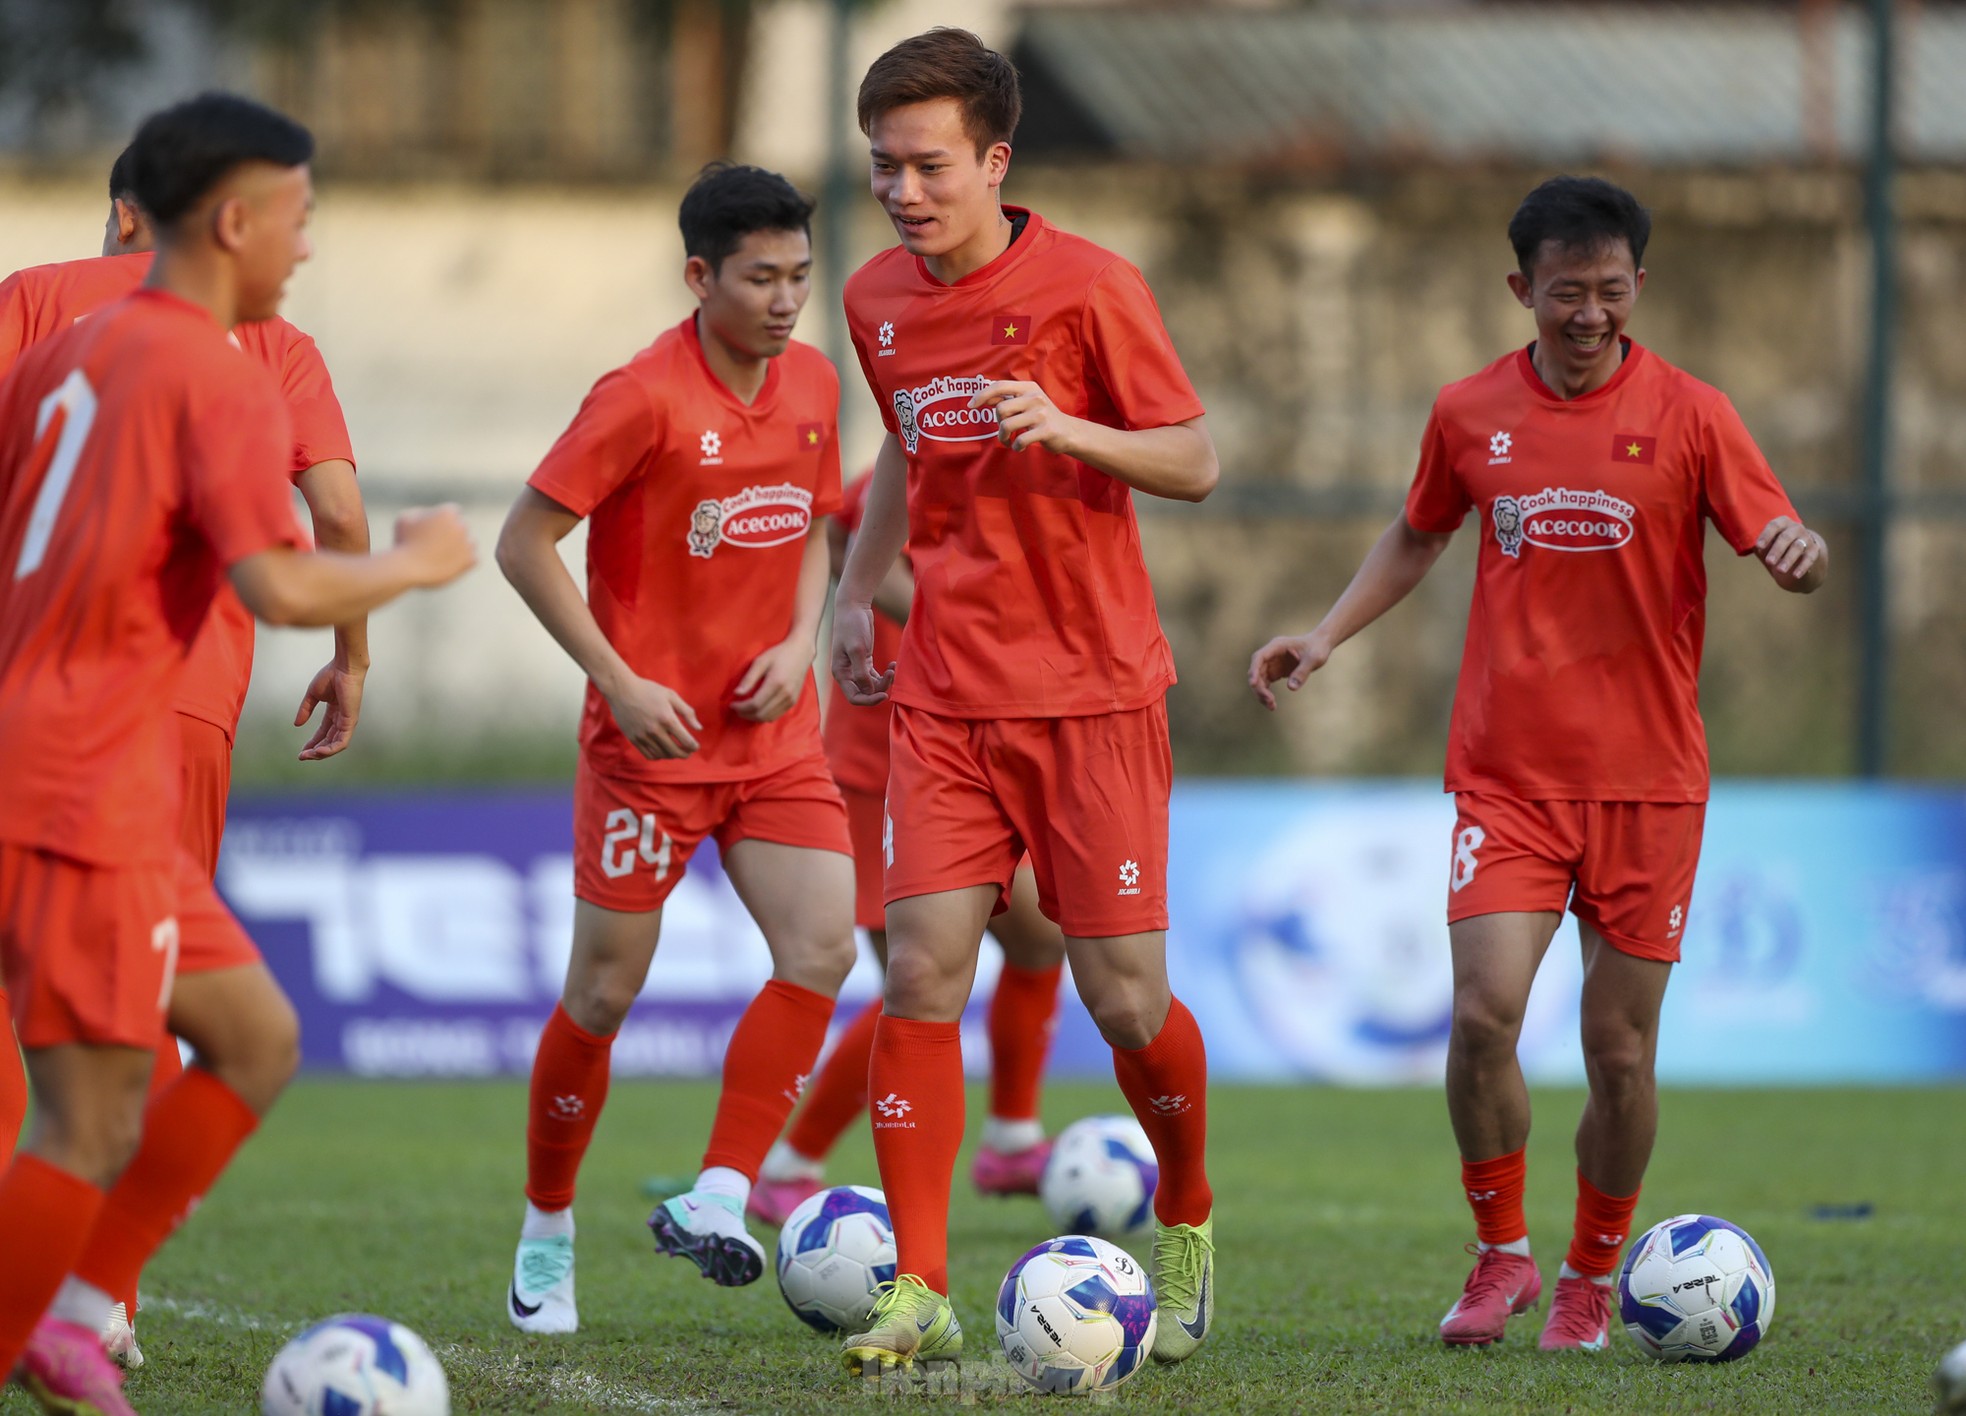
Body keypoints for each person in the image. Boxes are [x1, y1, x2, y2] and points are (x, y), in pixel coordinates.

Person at [1249, 175, 1827, 1352]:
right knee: (1478, 1017)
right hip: (1505, 775)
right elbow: (1418, 532)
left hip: (1649, 783)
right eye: (1566, 293)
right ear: (1522, 290)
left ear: (1636, 290)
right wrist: (1324, 632)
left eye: (1611, 292)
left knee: (1617, 1051)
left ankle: (1589, 1274)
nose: (1589, 314)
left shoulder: (1694, 414)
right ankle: (1501, 1254)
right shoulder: (1469, 414)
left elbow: (1784, 544)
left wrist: (1798, 555)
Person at [0, 92, 474, 1414]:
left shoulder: (57, 349)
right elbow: (277, 580)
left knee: (254, 1038)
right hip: (81, 777)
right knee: (85, 1123)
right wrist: (413, 564)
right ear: (232, 218)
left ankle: (84, 1305)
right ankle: (53, 1315)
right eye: (300, 218)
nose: (306, 249)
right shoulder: (220, 364)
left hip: (76, 762)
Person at [830, 28, 1220, 1375]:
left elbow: (1193, 456)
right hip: (943, 695)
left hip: (1092, 698)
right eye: (882, 165)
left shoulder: (1093, 288)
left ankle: (1186, 1215)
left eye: (927, 164)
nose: (901, 189)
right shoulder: (874, 298)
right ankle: (920, 1285)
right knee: (921, 968)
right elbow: (904, 443)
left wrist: (1071, 430)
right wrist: (850, 591)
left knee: (1123, 1004)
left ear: (994, 160)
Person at [497, 162, 857, 1335]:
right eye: (762, 277)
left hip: (774, 742)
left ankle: (718, 1193)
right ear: (700, 277)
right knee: (601, 997)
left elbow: (810, 525)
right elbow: (523, 544)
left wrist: (802, 641)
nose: (787, 299)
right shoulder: (640, 398)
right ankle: (546, 1228)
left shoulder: (811, 379)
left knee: (820, 948)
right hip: (647, 751)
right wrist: (619, 677)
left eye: (800, 274)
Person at [750, 468, 1069, 1227]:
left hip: (970, 753)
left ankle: (1012, 1139)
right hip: (882, 766)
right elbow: (849, 544)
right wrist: (964, 619)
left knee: (1038, 938)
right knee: (919, 985)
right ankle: (791, 1165)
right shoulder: (907, 464)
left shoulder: (1010, 457)